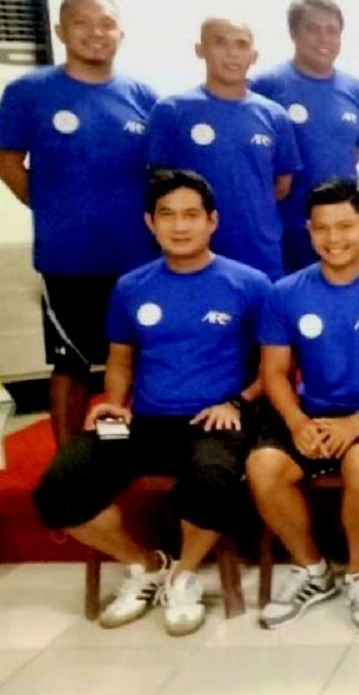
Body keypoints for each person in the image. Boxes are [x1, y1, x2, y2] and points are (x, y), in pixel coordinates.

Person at [33, 169, 269, 637]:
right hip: (144, 421)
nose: (179, 227)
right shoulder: (132, 287)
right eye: (167, 216)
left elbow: (272, 369)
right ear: (150, 222)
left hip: (215, 419)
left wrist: (238, 402)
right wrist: (116, 403)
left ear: (212, 221)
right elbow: (120, 359)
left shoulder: (249, 284)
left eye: (190, 215)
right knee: (60, 485)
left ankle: (185, 577)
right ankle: (146, 566)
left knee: (212, 477)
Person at [248, 178, 359, 635]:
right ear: (308, 230)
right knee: (264, 468)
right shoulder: (284, 293)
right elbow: (275, 373)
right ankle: (313, 569)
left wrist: (358, 422)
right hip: (311, 413)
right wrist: (298, 422)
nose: (334, 238)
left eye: (345, 226)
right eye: (322, 228)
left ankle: (358, 574)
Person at [0, 0, 158, 447]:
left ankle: (131, 449)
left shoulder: (141, 94)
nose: (96, 33)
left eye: (106, 24)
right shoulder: (29, 92)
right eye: (83, 23)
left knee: (138, 356)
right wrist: (52, 207)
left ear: (121, 33)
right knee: (72, 361)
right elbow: (9, 162)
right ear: (60, 30)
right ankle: (70, 466)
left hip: (137, 258)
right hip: (68, 258)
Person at [147, 17, 301, 280]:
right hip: (194, 259)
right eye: (220, 43)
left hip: (261, 257)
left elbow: (281, 186)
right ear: (201, 49)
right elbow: (161, 188)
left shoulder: (274, 115)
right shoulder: (171, 111)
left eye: (241, 45)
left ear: (253, 56)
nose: (232, 53)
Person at [252, 0, 359, 273]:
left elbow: (354, 154)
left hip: (342, 233)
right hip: (285, 230)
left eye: (332, 30)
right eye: (313, 29)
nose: (323, 38)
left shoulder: (355, 90)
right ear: (294, 33)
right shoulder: (265, 86)